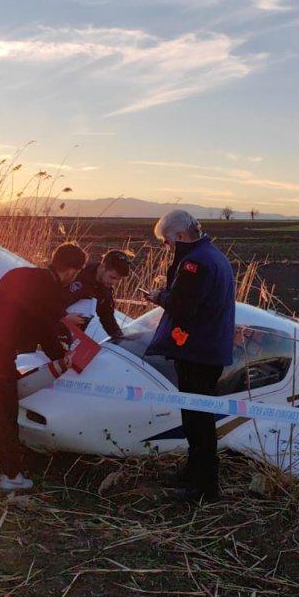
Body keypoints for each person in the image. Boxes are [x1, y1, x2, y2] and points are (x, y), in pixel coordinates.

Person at [0, 244, 87, 495]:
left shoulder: (19, 274)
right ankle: (11, 475)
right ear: (71, 271)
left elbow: (31, 321)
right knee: (6, 413)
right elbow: (46, 329)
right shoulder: (50, 290)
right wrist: (64, 359)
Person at [144, 209, 235, 503]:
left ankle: (205, 487)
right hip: (207, 348)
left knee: (198, 419)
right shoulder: (213, 255)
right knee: (194, 415)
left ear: (180, 236)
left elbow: (183, 307)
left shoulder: (196, 263)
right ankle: (193, 472)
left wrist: (159, 297)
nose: (167, 248)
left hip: (199, 351)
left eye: (167, 242)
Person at [60, 249, 133, 339]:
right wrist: (64, 317)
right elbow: (50, 301)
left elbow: (106, 315)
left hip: (71, 336)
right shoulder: (78, 274)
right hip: (50, 326)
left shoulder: (105, 288)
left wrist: (118, 335)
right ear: (102, 267)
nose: (114, 282)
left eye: (118, 279)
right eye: (112, 277)